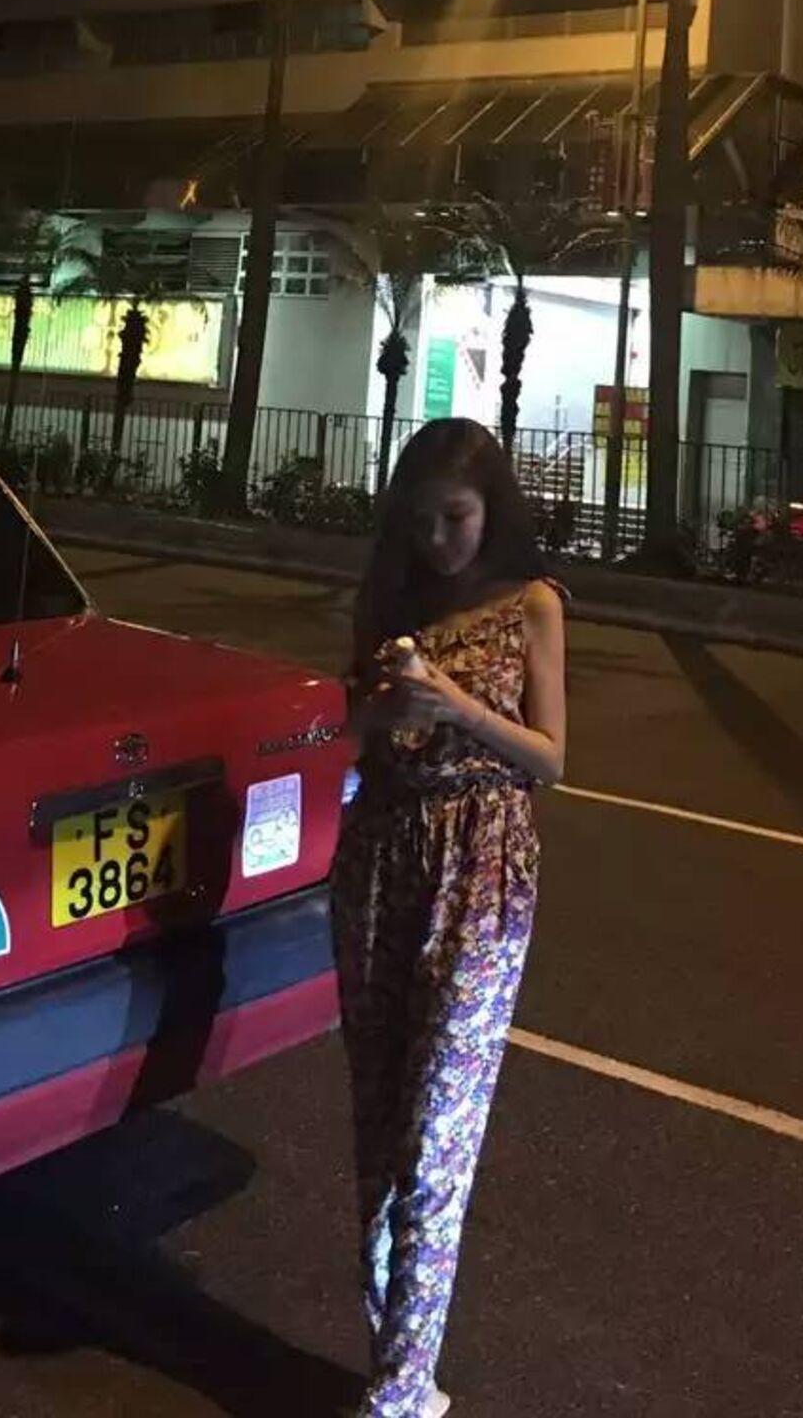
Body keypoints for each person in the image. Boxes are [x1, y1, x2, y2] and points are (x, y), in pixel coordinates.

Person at [332, 417, 569, 1418]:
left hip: (483, 869)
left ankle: (396, 1392)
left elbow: (551, 756)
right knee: (382, 1121)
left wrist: (456, 707)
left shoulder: (533, 605)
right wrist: (376, 715)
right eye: (421, 519)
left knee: (437, 1131)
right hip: (381, 860)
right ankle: (400, 1361)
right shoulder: (390, 601)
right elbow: (344, 734)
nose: (438, 539)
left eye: (457, 517)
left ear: (492, 510)